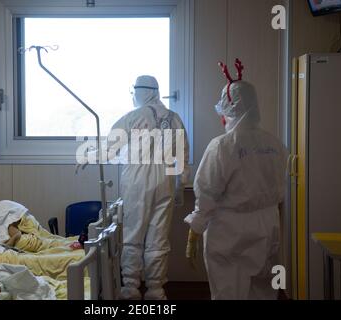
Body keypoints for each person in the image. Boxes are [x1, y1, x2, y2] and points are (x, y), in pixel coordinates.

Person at [184, 60, 287, 300]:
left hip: (229, 230)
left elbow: (207, 194)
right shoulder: (275, 144)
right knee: (263, 288)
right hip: (268, 225)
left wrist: (195, 230)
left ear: (228, 109)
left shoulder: (221, 146)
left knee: (229, 288)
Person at [111, 75, 190, 300]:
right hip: (164, 180)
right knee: (158, 236)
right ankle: (156, 289)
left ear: (141, 92)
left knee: (133, 235)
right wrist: (180, 186)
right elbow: (183, 155)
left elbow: (111, 149)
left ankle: (130, 288)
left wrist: (91, 155)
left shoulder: (131, 118)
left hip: (136, 181)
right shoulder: (174, 119)